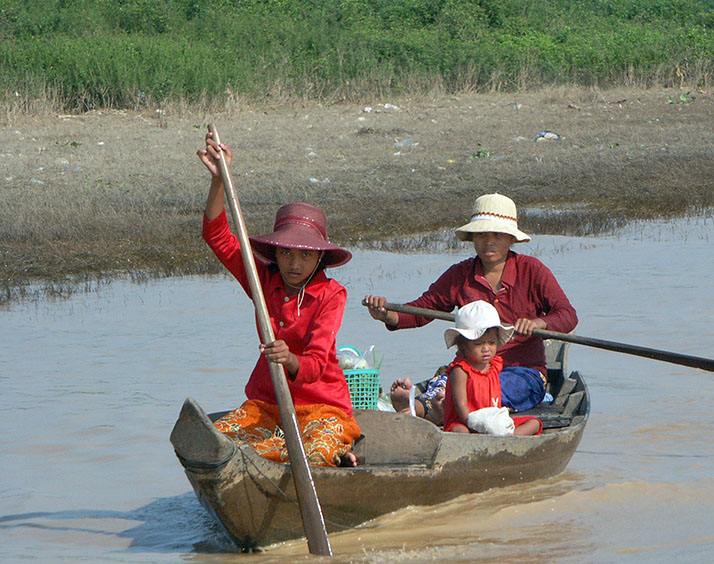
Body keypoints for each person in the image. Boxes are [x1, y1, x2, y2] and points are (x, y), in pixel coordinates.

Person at [197, 132, 360, 467]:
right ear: (275, 253)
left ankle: (335, 453)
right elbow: (217, 236)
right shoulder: (262, 280)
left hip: (321, 407)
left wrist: (290, 360)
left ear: (319, 257)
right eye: (286, 253)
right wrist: (218, 181)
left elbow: (316, 363)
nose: (294, 264)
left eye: (304, 255)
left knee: (315, 452)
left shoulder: (331, 295)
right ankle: (279, 451)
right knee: (213, 444)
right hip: (267, 406)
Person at [363, 192, 578, 424]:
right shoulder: (460, 274)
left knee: (482, 390)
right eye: (482, 235)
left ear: (511, 239)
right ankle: (419, 407)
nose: (489, 241)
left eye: (497, 235)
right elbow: (422, 310)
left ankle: (441, 409)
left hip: (522, 372)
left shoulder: (532, 271)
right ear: (473, 238)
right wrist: (386, 314)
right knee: (450, 383)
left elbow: (568, 316)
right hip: (468, 368)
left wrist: (538, 323)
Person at [442, 301, 542, 436]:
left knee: (534, 423)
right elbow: (461, 407)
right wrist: (478, 427)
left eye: (492, 343)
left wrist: (497, 424)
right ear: (462, 345)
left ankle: (508, 438)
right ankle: (489, 439)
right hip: (466, 422)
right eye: (478, 344)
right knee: (461, 431)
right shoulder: (460, 370)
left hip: (493, 420)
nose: (486, 349)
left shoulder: (495, 365)